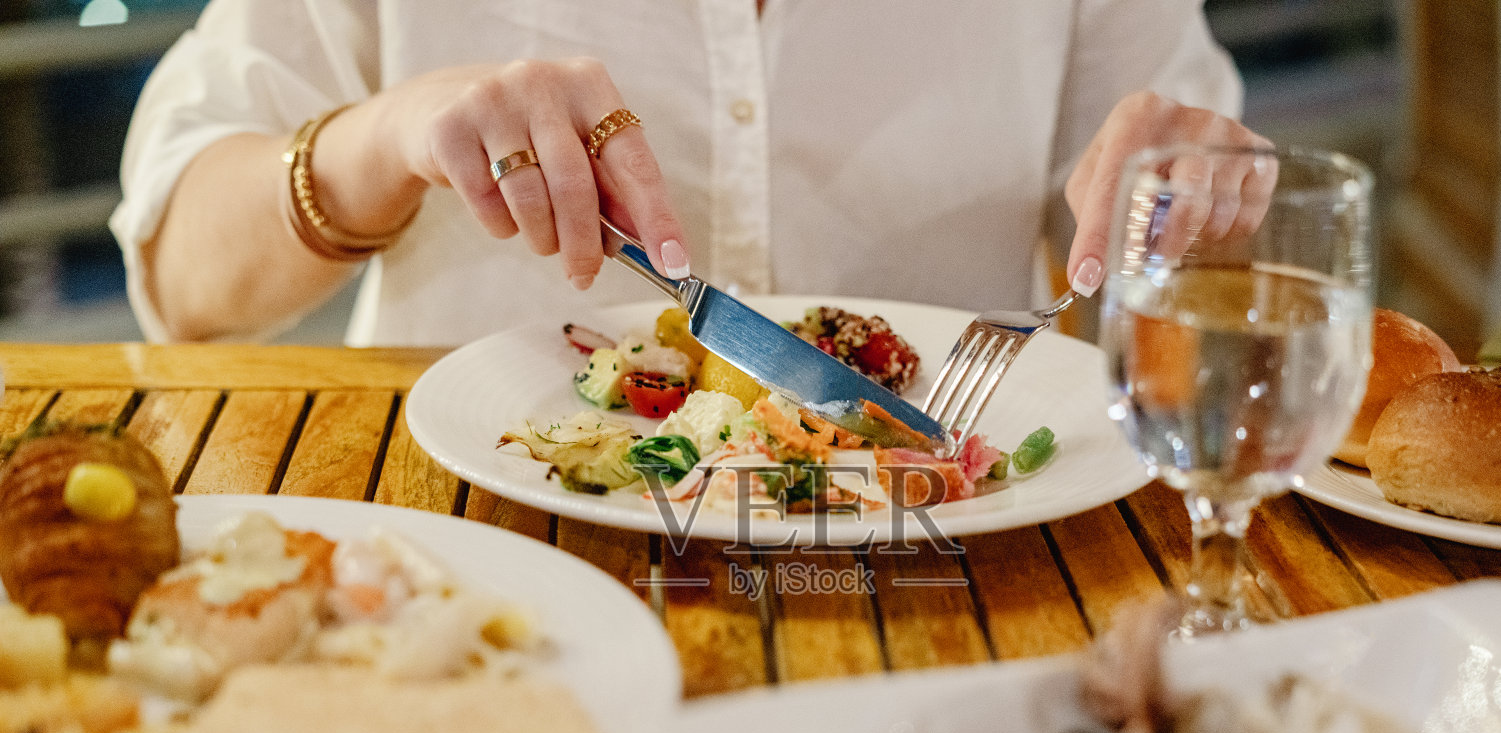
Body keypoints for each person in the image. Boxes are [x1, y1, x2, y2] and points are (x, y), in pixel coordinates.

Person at [111, 0, 1266, 347]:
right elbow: (179, 277)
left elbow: (1190, 292)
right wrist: (382, 137)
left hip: (950, 555)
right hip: (479, 576)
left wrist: (1202, 217)